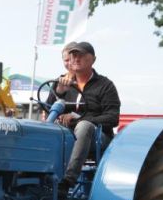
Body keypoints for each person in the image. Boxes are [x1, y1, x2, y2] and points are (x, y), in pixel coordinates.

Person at [49, 42, 121, 187]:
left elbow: (113, 118)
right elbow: (48, 110)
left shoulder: (105, 85)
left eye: (81, 55)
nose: (76, 58)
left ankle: (68, 181)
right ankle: (37, 177)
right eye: (73, 55)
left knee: (84, 126)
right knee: (46, 129)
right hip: (68, 133)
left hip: (98, 137)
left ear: (93, 59)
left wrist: (77, 119)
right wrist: (60, 91)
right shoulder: (62, 81)